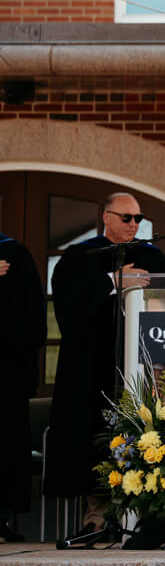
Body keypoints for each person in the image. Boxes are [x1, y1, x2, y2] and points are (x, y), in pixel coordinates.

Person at [45, 192, 165, 536]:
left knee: (146, 437)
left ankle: (147, 519)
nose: (134, 225)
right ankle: (98, 517)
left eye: (138, 219)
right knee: (95, 441)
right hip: (92, 365)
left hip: (140, 367)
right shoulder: (80, 256)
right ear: (106, 217)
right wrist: (113, 282)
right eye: (127, 218)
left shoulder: (152, 256)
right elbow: (69, 309)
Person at [0, 232, 46, 541]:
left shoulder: (14, 254)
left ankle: (2, 518)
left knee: (5, 444)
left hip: (6, 373)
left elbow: (32, 317)